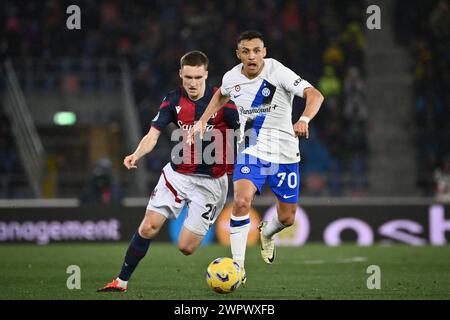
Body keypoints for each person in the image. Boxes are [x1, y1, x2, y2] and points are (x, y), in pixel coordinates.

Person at [98, 51, 240, 292]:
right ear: (180, 75)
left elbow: (245, 135)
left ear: (206, 74)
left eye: (197, 77)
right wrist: (136, 154)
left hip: (212, 183)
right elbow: (153, 134)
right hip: (177, 174)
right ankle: (121, 281)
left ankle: (237, 269)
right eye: (188, 78)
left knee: (186, 247)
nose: (193, 83)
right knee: (148, 226)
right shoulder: (173, 99)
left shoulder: (224, 101)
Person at [188, 30, 324, 272]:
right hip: (252, 147)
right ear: (238, 54)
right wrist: (202, 121)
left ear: (264, 52)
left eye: (257, 50)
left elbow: (315, 94)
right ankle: (238, 268)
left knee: (287, 218)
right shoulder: (232, 77)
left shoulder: (277, 71)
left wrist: (304, 118)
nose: (252, 56)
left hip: (285, 151)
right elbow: (220, 94)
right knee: (241, 202)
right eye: (246, 51)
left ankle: (268, 233)